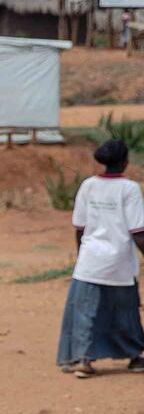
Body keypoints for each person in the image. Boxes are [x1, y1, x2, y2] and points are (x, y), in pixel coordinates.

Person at [57, 139, 144, 378]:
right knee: (125, 311)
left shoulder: (88, 186)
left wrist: (81, 257)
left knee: (85, 311)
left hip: (90, 262)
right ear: (125, 162)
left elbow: (79, 227)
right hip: (119, 263)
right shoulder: (129, 189)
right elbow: (138, 232)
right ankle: (134, 356)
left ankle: (83, 360)